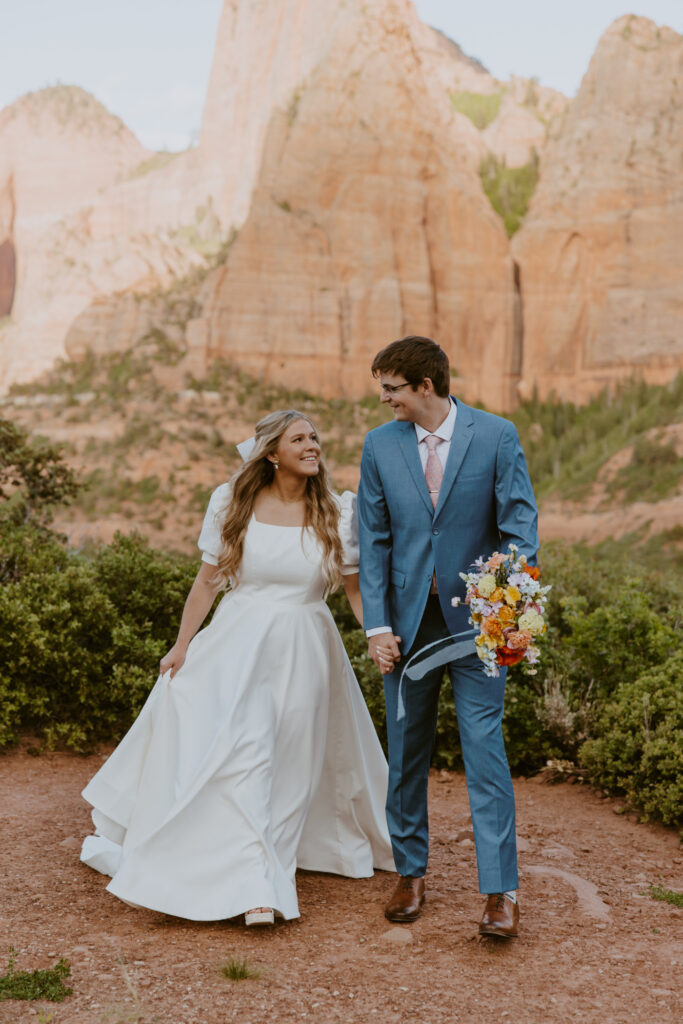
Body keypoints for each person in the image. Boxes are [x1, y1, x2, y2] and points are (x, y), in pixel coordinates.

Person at [81, 409, 394, 925]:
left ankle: (272, 863)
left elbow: (355, 591)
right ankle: (257, 889)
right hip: (237, 646)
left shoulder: (338, 512)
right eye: (299, 438)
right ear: (272, 453)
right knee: (248, 757)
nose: (313, 445)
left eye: (314, 437)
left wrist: (376, 637)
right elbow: (207, 582)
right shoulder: (233, 502)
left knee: (291, 763)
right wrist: (181, 646)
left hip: (307, 650)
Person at [357, 336, 538, 937]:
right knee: (405, 750)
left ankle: (500, 891)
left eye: (391, 389)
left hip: (480, 628)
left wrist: (507, 613)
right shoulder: (380, 446)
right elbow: (375, 540)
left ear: (425, 386)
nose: (384, 399)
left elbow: (519, 529)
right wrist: (378, 626)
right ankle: (410, 871)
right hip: (407, 629)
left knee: (484, 751)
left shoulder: (496, 435)